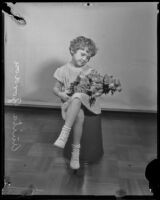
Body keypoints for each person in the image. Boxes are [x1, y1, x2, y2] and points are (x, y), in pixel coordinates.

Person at [52, 36, 103, 170]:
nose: (85, 58)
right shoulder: (62, 70)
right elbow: (55, 88)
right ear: (72, 51)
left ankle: (64, 133)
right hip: (70, 103)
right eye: (82, 54)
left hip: (88, 103)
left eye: (88, 57)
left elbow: (96, 90)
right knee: (78, 115)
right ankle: (75, 154)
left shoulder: (89, 71)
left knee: (79, 95)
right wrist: (60, 94)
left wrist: (97, 89)